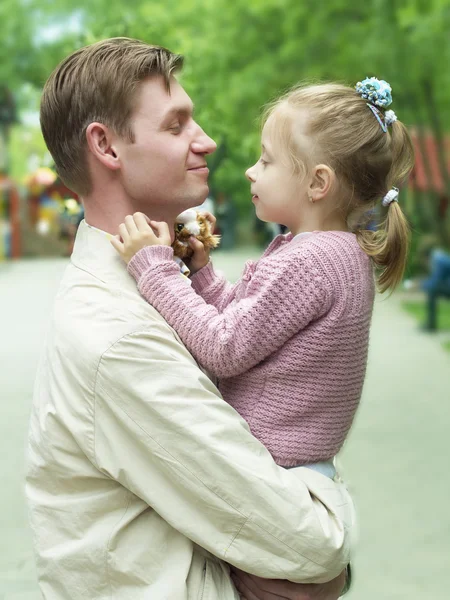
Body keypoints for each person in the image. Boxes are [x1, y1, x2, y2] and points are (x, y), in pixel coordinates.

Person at [26, 37, 353, 600]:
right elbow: (312, 546)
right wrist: (327, 502)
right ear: (106, 146)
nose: (208, 140)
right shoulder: (118, 337)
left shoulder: (137, 284)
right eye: (177, 126)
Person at [112, 77, 415, 477]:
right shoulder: (336, 252)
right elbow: (250, 326)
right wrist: (201, 274)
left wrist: (154, 268)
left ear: (318, 183)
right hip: (297, 465)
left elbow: (224, 347)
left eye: (267, 161)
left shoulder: (310, 261)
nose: (251, 171)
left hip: (269, 472)